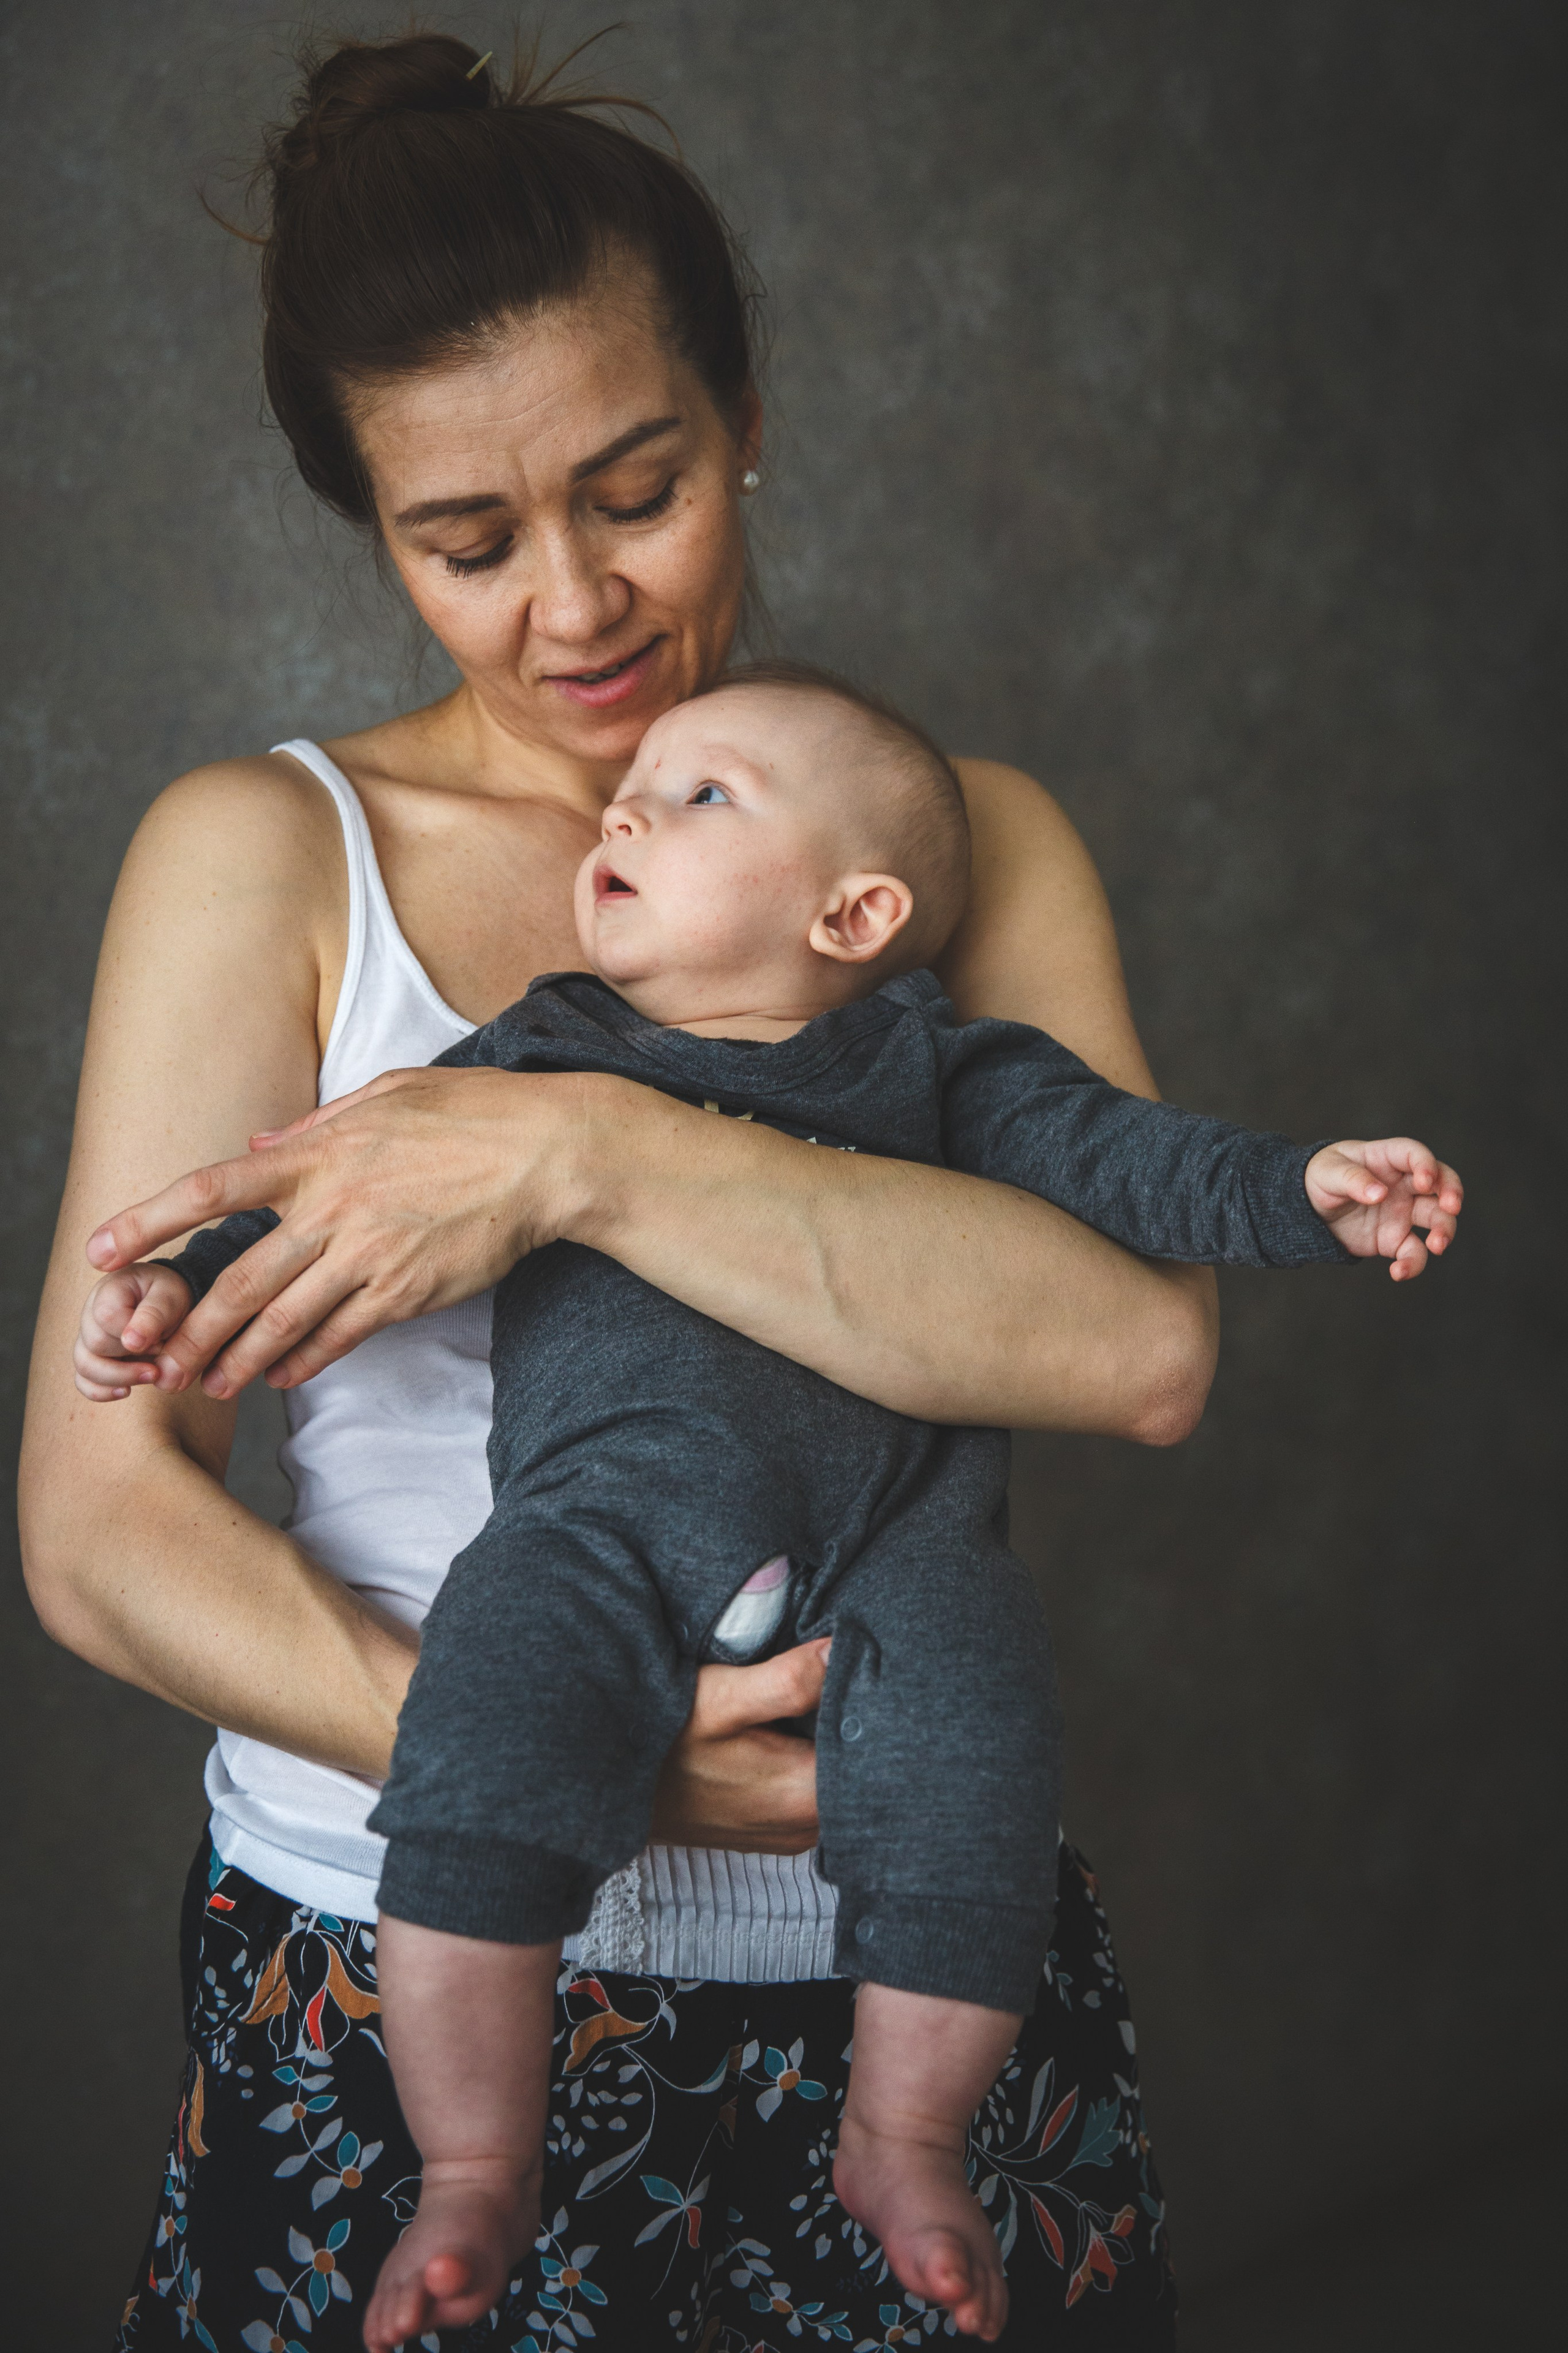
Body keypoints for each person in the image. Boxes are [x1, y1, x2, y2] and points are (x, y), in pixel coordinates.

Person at [21, 31, 1229, 2351]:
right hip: (389, 1940)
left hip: (900, 1960)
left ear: (744, 413)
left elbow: (1139, 1341)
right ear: (374, 529)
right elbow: (100, 1530)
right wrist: (578, 1753)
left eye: (637, 490)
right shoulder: (270, 856)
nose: (573, 604)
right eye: (466, 544)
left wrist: (576, 1143)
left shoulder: (955, 845)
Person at [75, 664, 1462, 2347]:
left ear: (852, 911)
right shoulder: (535, 1046)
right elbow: (326, 1193)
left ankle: (907, 2134)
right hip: (591, 1531)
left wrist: (1306, 1191)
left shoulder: (943, 1066)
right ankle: (474, 2165)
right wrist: (179, 1286)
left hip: (898, 1545)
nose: (629, 810)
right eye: (636, 793)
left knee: (977, 1730)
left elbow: (1132, 1166)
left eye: (703, 795)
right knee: (485, 1730)